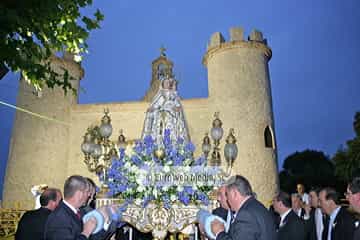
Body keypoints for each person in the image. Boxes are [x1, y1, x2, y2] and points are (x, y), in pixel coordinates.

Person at [211, 175, 277, 240]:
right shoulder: (257, 206)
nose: (227, 199)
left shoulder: (246, 214)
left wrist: (219, 233)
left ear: (234, 193)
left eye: (227, 195)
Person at [44, 175, 97, 240]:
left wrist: (106, 221)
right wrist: (86, 232)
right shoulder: (59, 218)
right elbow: (85, 234)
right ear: (79, 194)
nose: (89, 195)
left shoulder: (80, 212)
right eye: (87, 192)